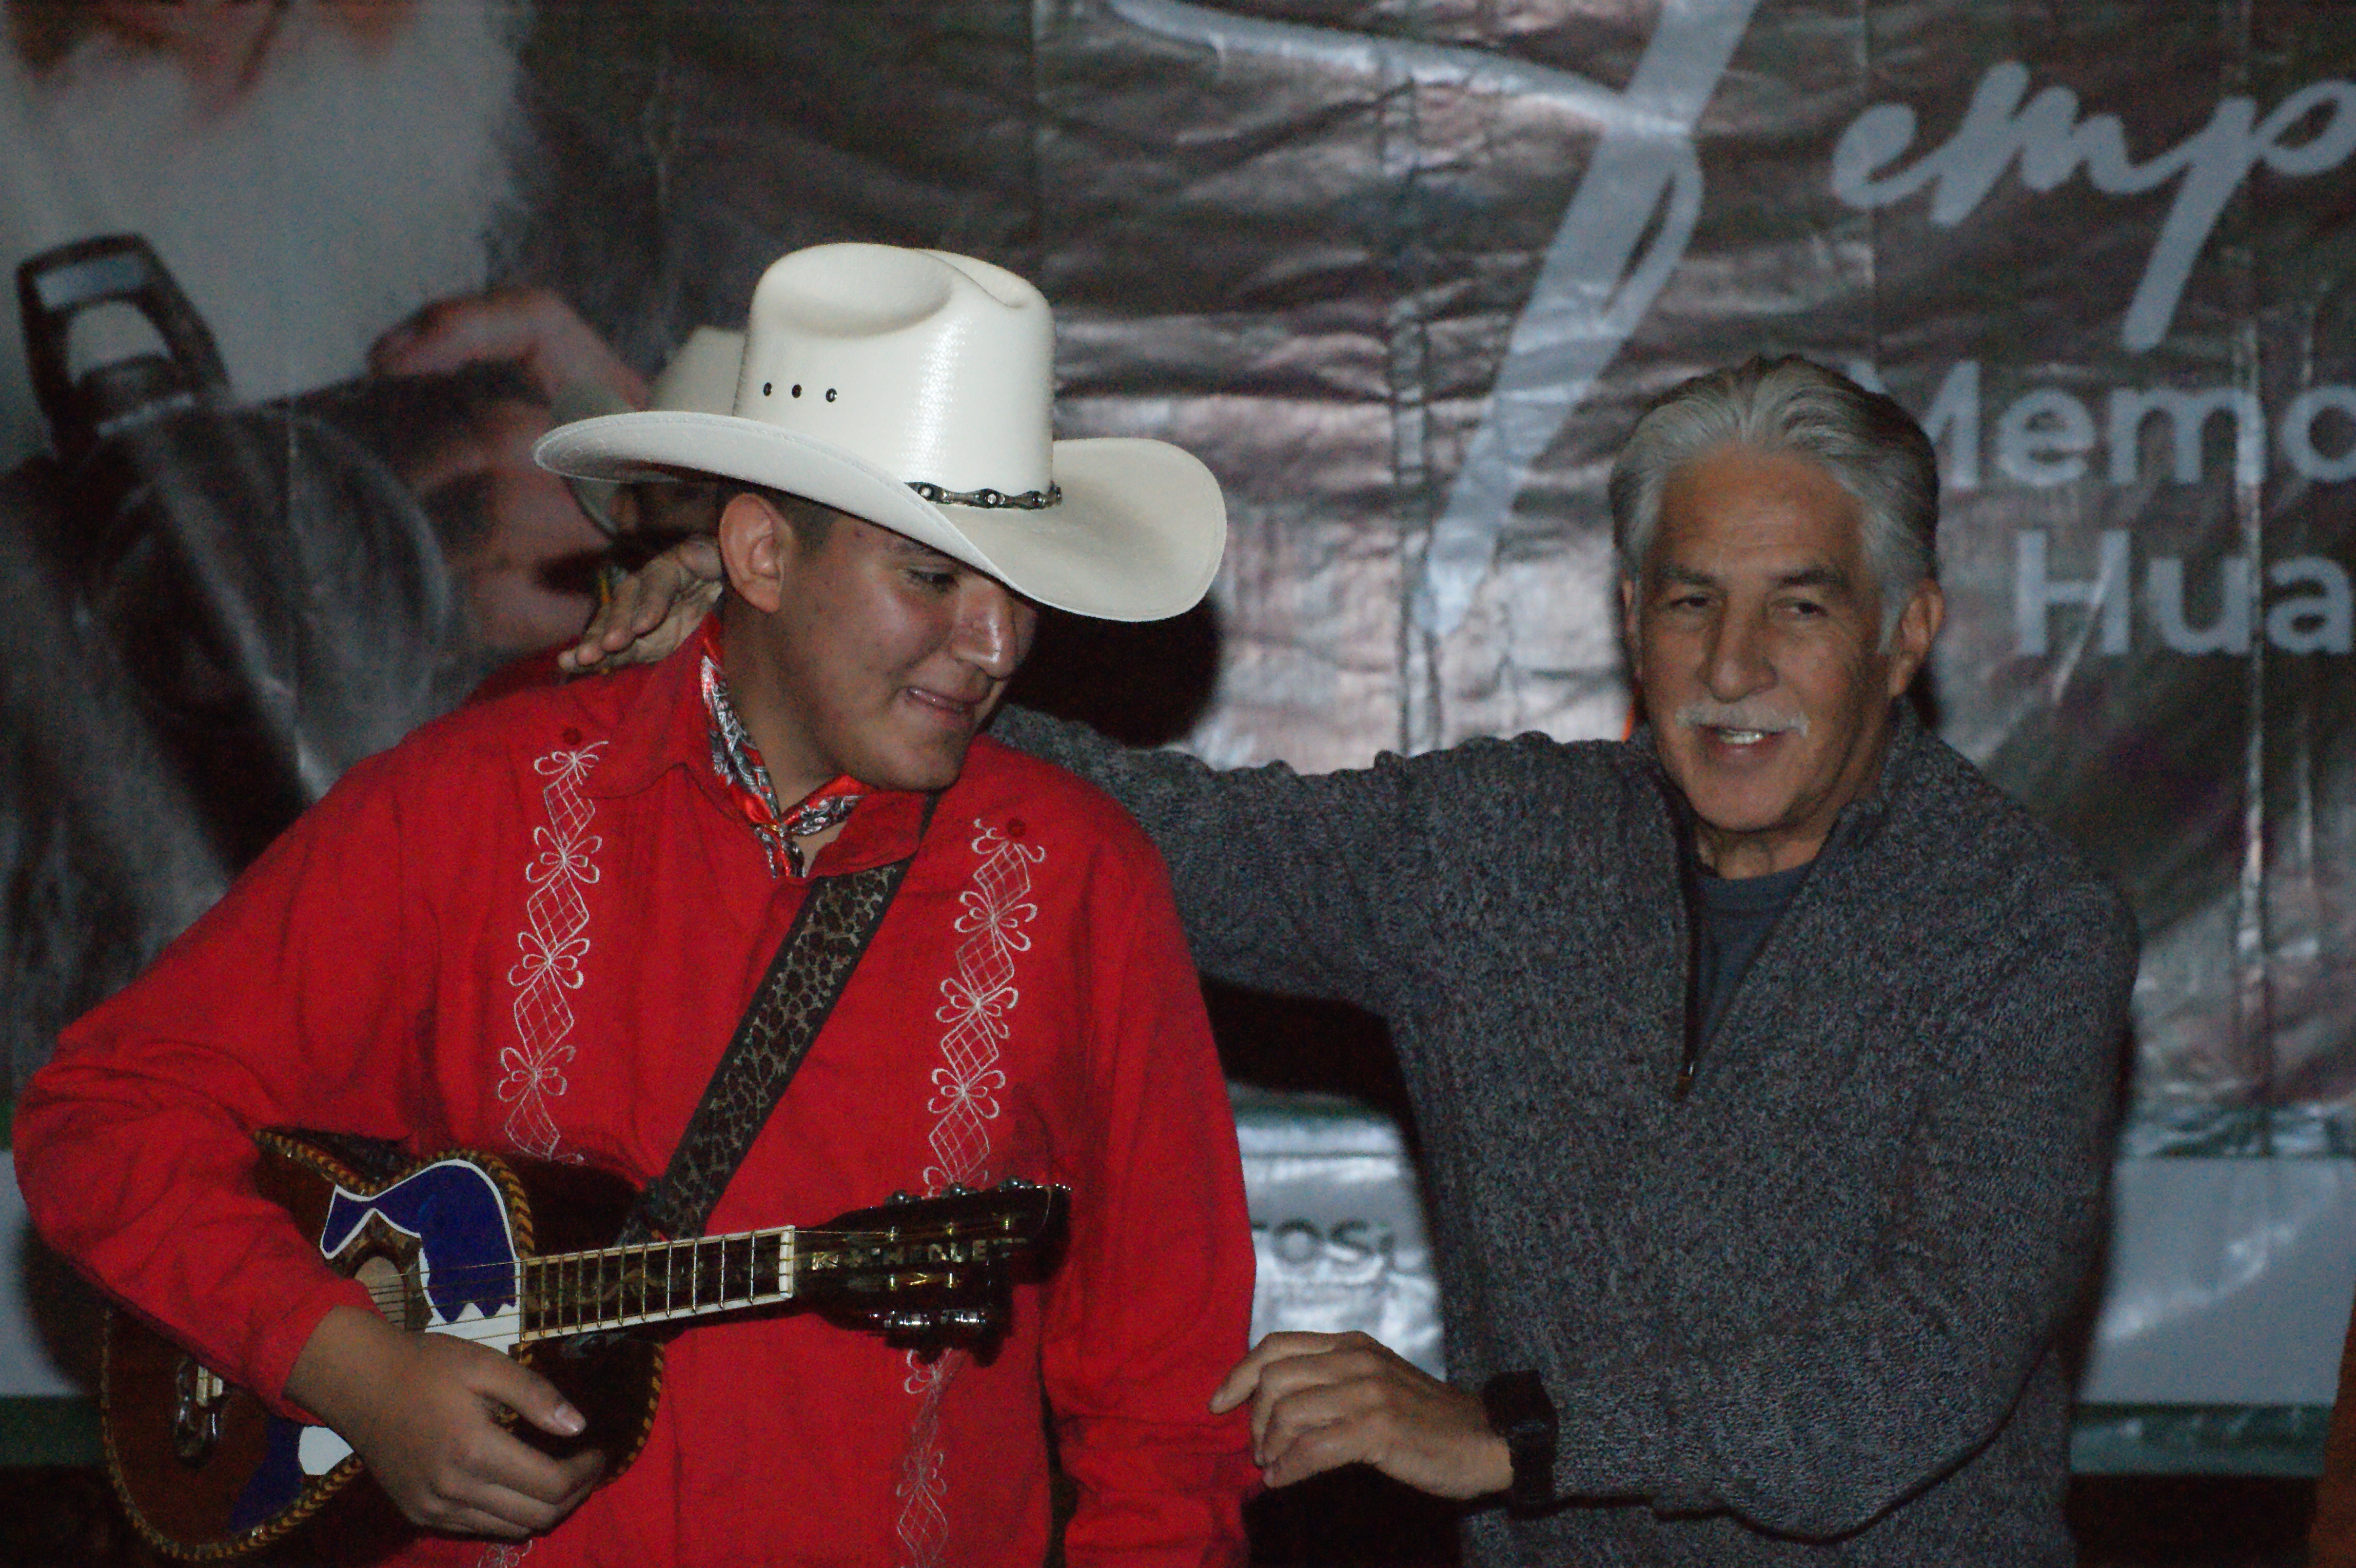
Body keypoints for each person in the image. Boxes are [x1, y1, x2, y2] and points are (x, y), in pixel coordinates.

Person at [570, 355, 2140, 1562]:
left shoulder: (2026, 925)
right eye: (1690, 602)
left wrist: (1512, 1436)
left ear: (1907, 632)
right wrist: (817, 639)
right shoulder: (1498, 847)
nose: (1734, 668)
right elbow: (1171, 834)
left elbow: (1921, 1369)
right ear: (1630, 619)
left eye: (1801, 607)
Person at [15, 243, 1255, 1567]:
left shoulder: (1075, 878)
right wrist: (348, 1368)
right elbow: (104, 1118)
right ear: (762, 553)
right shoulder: (474, 805)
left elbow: (1168, 1412)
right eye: (935, 577)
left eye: (1018, 588)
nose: (996, 645)